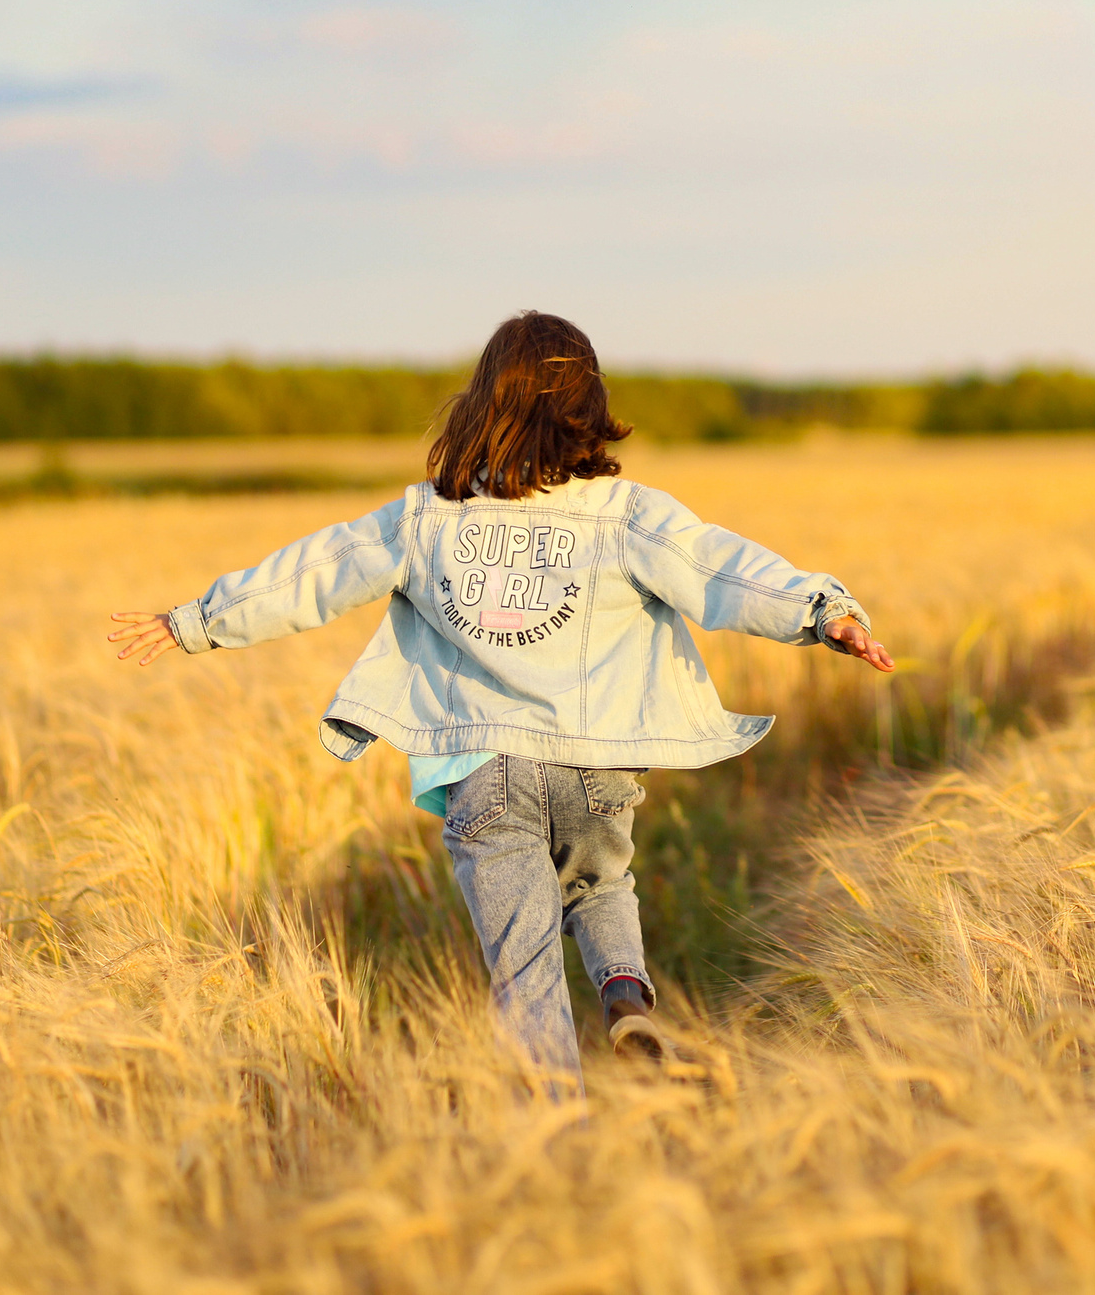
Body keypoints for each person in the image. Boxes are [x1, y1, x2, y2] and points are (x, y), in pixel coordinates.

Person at [108, 311, 895, 1087]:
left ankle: (554, 1126)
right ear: (589, 409)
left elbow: (313, 571)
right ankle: (626, 994)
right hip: (596, 763)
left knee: (526, 969)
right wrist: (824, 611)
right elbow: (722, 568)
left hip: (484, 770)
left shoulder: (426, 516)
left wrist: (197, 621)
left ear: (481, 404)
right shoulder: (625, 514)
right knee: (603, 882)